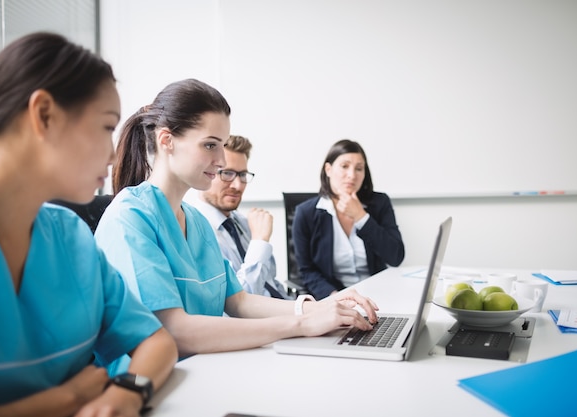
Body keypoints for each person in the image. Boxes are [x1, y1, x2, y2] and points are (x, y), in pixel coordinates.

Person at [94, 79, 379, 358]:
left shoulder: (196, 222)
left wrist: (320, 307)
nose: (220, 160)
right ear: (166, 140)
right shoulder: (129, 219)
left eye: (223, 145)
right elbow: (174, 331)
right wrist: (302, 324)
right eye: (210, 145)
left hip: (206, 369)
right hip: (144, 388)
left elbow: (239, 301)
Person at [0, 32, 177, 416]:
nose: (113, 156)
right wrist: (64, 400)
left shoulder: (70, 236)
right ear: (44, 115)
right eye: (105, 127)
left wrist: (126, 392)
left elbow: (157, 341)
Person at [292, 139, 405, 300]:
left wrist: (361, 217)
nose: (352, 175)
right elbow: (307, 270)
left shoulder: (380, 203)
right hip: (335, 299)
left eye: (359, 168)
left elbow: (396, 257)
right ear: (328, 169)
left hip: (380, 296)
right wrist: (336, 298)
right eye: (344, 166)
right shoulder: (306, 213)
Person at [193, 134, 290, 299]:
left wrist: (303, 307)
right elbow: (237, 305)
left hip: (282, 312)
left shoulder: (243, 222)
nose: (237, 186)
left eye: (243, 175)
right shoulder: (196, 231)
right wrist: (259, 242)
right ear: (208, 172)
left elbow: (271, 284)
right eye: (227, 173)